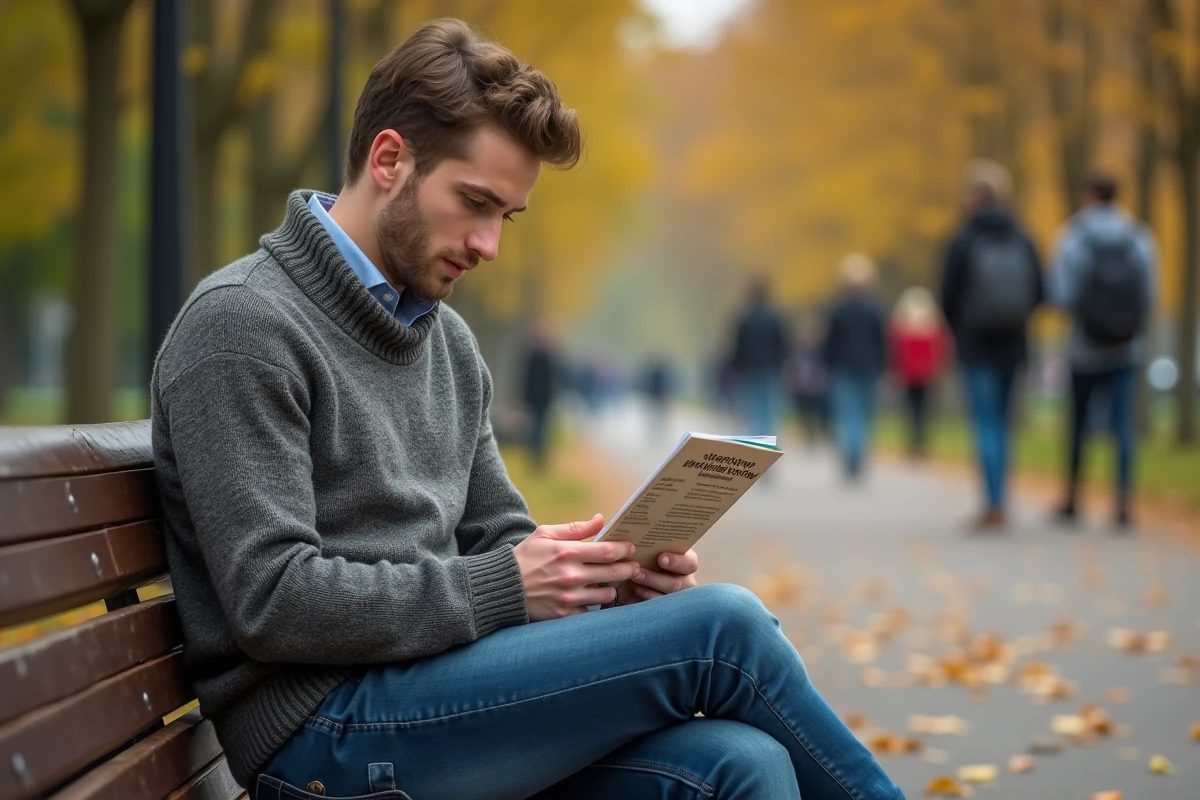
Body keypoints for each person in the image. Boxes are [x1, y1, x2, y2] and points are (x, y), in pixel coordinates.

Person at [151, 19, 904, 800]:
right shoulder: (242, 327)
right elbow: (273, 601)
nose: (488, 245)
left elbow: (496, 537)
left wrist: (603, 586)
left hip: (432, 692)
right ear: (388, 160)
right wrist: (506, 585)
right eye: (473, 203)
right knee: (725, 632)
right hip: (323, 733)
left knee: (742, 766)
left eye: (504, 216)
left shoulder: (445, 342)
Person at [1049, 172, 1157, 530]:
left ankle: (1074, 498)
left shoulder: (1072, 237)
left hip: (1084, 346)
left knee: (1078, 424)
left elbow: (1061, 294)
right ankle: (1123, 501)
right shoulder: (1139, 237)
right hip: (1127, 347)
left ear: (1089, 195)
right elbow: (1149, 293)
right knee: (1122, 424)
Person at [940, 160, 1044, 529]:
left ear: (976, 196)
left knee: (985, 423)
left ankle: (993, 503)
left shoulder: (964, 240)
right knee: (1003, 422)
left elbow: (947, 296)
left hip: (976, 345)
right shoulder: (1023, 236)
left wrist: (962, 328)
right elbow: (1039, 291)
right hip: (1013, 344)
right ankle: (1003, 499)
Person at [822, 254, 887, 479]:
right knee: (864, 414)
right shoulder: (874, 310)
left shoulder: (838, 311)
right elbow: (881, 343)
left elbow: (830, 344)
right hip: (868, 368)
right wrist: (882, 367)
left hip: (842, 368)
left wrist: (827, 366)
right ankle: (858, 456)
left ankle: (851, 456)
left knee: (848, 414)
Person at [890, 287, 948, 459]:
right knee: (922, 410)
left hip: (911, 375)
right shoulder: (932, 328)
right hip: (923, 375)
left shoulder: (902, 328)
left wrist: (896, 372)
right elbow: (938, 353)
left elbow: (897, 354)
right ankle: (919, 444)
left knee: (912, 410)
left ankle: (915, 444)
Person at [729, 278, 790, 436]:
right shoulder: (776, 317)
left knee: (753, 411)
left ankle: (756, 444)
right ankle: (767, 444)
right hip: (771, 369)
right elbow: (782, 346)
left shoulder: (744, 318)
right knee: (769, 411)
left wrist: (737, 368)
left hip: (749, 370)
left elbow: (738, 348)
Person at [785, 316, 830, 447]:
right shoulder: (797, 348)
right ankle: (810, 433)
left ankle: (818, 431)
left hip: (816, 384)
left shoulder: (822, 347)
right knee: (804, 412)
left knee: (818, 410)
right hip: (802, 385)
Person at [522, 322, 559, 471]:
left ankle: (537, 458)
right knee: (537, 429)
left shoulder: (540, 357)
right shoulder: (542, 357)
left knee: (540, 429)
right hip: (537, 399)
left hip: (541, 399)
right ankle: (536, 458)